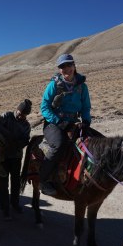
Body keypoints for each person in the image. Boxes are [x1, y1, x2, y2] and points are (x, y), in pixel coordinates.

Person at [39, 54, 91, 195]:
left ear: (74, 66)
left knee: (94, 142)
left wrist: (86, 121)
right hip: (54, 123)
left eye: (68, 65)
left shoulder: (82, 87)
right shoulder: (54, 85)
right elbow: (44, 107)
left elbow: (85, 107)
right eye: (62, 66)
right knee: (59, 144)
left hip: (74, 122)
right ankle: (43, 181)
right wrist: (58, 121)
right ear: (60, 69)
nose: (66, 69)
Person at [0, 99, 32, 219]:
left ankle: (15, 204)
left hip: (16, 156)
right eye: (20, 112)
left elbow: (25, 140)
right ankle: (4, 208)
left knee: (15, 182)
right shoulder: (7, 116)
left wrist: (15, 144)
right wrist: (8, 137)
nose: (21, 115)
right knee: (3, 183)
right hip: (3, 156)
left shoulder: (26, 125)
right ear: (17, 109)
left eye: (24, 114)